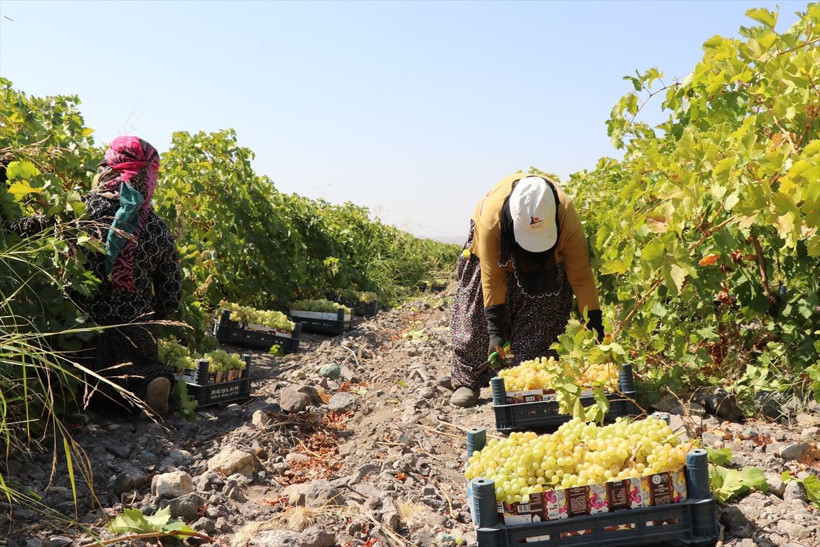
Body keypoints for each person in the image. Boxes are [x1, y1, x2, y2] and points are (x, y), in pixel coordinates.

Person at [449, 173, 603, 407]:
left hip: (549, 262)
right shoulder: (492, 219)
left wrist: (596, 329)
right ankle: (467, 379)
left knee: (543, 315)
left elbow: (581, 279)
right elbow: (493, 280)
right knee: (477, 320)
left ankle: (522, 378)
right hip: (491, 253)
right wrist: (495, 333)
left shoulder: (566, 215)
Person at [75, 136, 183, 416]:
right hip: (134, 333)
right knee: (137, 368)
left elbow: (29, 228)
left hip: (78, 327)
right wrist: (148, 314)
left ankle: (74, 392)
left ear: (107, 166)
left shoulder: (78, 211)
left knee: (74, 369)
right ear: (147, 175)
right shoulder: (156, 227)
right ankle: (147, 383)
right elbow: (171, 293)